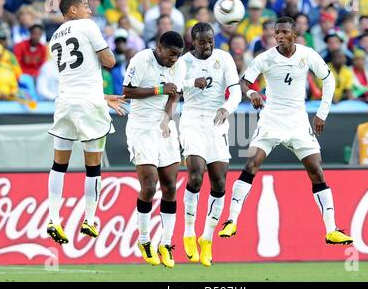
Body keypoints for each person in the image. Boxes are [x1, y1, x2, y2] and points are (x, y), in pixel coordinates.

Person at [218, 16, 353, 246]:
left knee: (317, 171)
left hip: (299, 122)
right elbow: (245, 82)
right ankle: (231, 220)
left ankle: (331, 230)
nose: (279, 36)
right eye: (276, 32)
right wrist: (253, 94)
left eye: (284, 32)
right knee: (251, 164)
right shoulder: (266, 58)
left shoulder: (307, 54)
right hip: (271, 119)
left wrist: (322, 112)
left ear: (295, 34)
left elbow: (328, 80)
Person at [46, 0, 127, 245]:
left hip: (65, 103)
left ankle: (53, 219)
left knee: (59, 164)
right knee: (93, 166)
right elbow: (110, 62)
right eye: (84, 5)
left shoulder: (53, 38)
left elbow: (76, 77)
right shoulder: (88, 26)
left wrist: (103, 96)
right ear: (71, 10)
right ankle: (90, 220)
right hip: (89, 105)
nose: (90, 10)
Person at [179, 22, 242, 267]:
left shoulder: (224, 58)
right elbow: (172, 89)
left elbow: (235, 91)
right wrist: (192, 83)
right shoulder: (183, 62)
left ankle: (207, 238)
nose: (207, 46)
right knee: (195, 176)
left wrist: (226, 109)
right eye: (202, 42)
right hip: (192, 118)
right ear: (192, 41)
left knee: (218, 181)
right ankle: (188, 232)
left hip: (217, 120)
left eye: (210, 41)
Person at [122, 30, 185, 268]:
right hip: (140, 127)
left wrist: (167, 120)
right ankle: (145, 239)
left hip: (164, 127)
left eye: (178, 55)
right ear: (160, 47)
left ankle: (166, 243)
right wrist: (159, 89)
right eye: (171, 54)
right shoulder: (140, 60)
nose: (174, 59)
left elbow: (174, 95)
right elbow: (127, 91)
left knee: (170, 186)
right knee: (149, 186)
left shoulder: (178, 66)